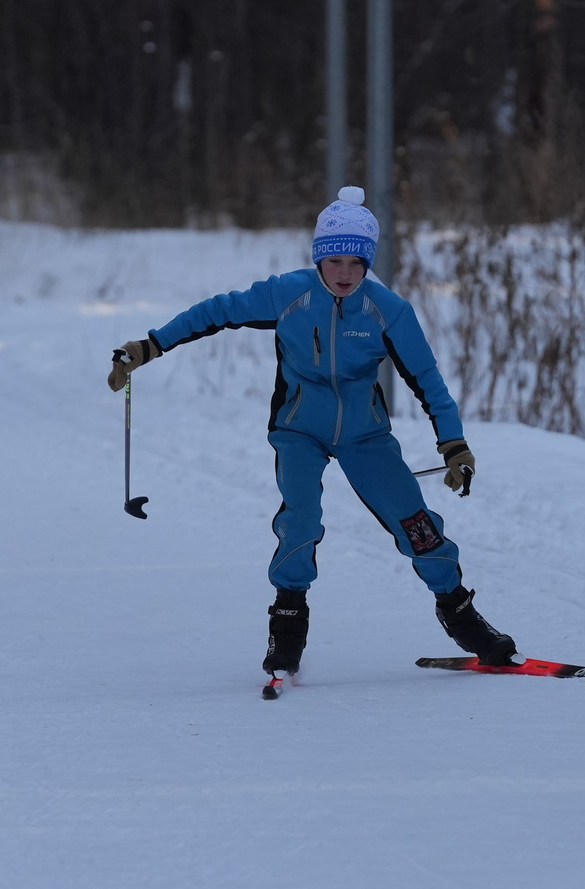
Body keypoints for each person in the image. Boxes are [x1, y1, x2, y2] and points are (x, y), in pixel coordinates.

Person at [108, 187, 519, 690]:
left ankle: (460, 615)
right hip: (298, 429)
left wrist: (453, 445)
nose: (344, 273)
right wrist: (150, 346)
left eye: (356, 262)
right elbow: (214, 312)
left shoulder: (388, 310)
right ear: (318, 258)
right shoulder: (289, 294)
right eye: (334, 260)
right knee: (299, 521)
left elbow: (428, 380)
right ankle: (287, 627)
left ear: (368, 262)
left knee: (418, 525)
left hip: (365, 436)